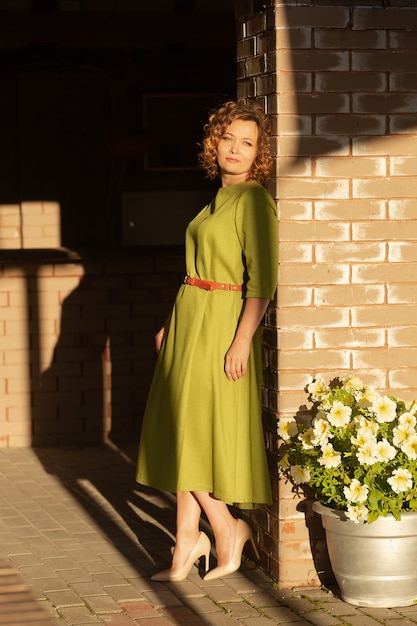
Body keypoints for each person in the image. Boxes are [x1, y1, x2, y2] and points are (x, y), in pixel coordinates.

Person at [136, 99, 278, 582]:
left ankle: (225, 526)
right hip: (189, 321)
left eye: (247, 143)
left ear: (258, 153)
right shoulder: (217, 198)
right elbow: (195, 274)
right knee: (182, 429)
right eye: (228, 138)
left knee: (192, 433)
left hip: (221, 325)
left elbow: (262, 281)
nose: (235, 149)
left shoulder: (253, 200)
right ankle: (185, 544)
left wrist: (241, 342)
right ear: (213, 142)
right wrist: (169, 325)